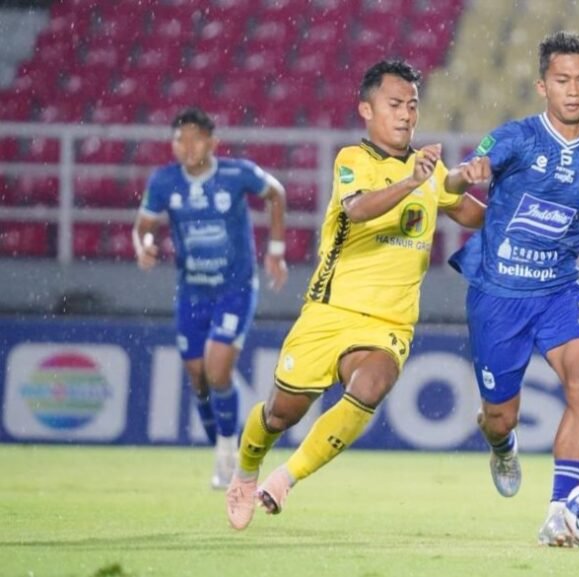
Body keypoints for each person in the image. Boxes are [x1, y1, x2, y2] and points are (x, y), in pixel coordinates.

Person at [225, 59, 488, 530]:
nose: (406, 115)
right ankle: (246, 471)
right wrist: (412, 180)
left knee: (372, 383)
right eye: (394, 105)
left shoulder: (432, 168)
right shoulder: (353, 159)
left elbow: (466, 212)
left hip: (389, 322)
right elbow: (360, 209)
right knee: (280, 413)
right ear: (366, 109)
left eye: (412, 105)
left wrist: (517, 209)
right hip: (331, 311)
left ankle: (285, 479)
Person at [447, 31, 579, 546]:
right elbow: (456, 182)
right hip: (498, 295)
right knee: (500, 416)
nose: (573, 90)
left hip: (559, 293)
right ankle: (502, 446)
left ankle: (560, 512)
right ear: (542, 85)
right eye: (562, 80)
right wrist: (467, 175)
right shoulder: (513, 139)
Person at [133, 107, 289, 490]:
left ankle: (228, 453)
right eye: (179, 138)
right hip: (192, 291)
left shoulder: (237, 174)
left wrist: (276, 249)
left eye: (195, 137)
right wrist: (145, 246)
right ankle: (219, 447)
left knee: (217, 370)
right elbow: (143, 228)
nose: (187, 145)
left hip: (234, 289)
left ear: (212, 142)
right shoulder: (165, 181)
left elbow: (277, 193)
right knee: (198, 378)